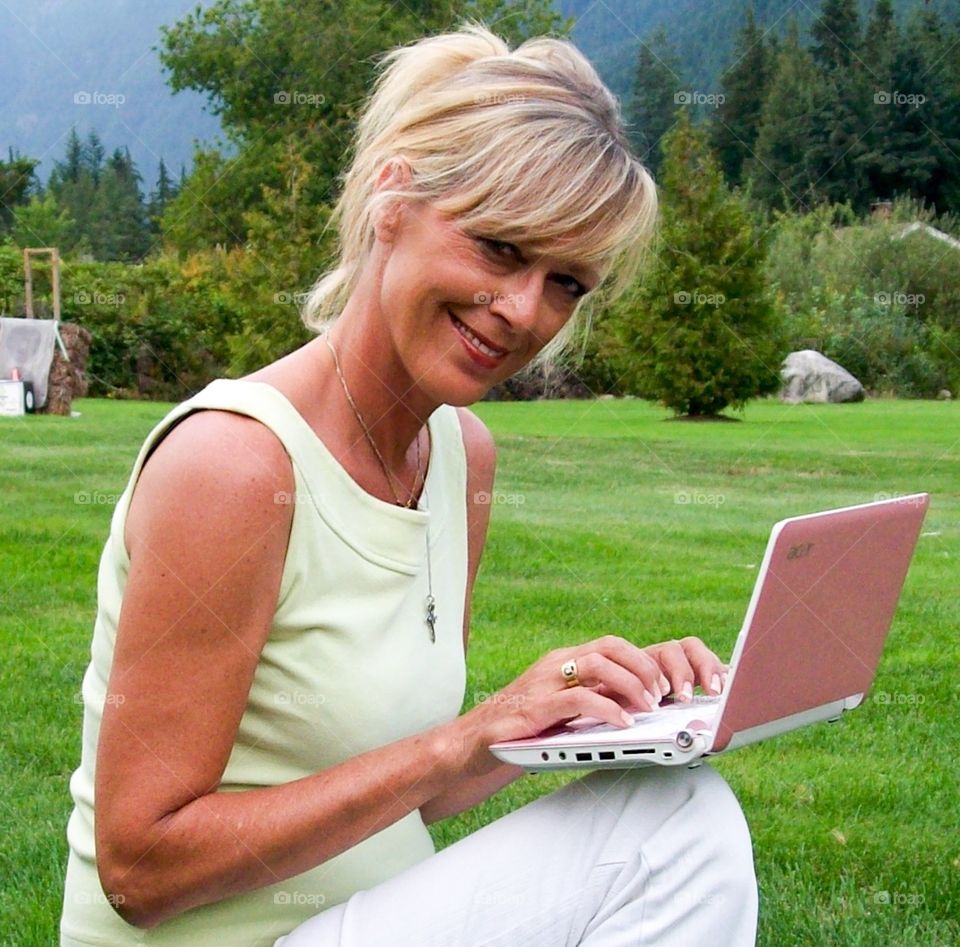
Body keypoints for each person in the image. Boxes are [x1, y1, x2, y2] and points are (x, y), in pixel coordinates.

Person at [59, 21, 758, 947]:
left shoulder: (462, 456)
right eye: (501, 248)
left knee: (667, 792)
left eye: (565, 283)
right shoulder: (235, 464)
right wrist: (460, 739)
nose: (522, 311)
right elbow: (139, 868)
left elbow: (408, 801)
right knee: (675, 828)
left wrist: (579, 713)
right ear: (394, 195)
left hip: (359, 922)